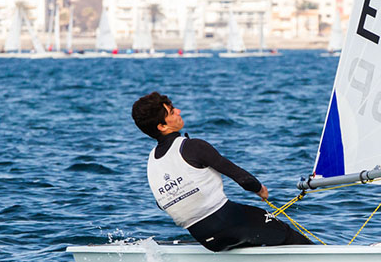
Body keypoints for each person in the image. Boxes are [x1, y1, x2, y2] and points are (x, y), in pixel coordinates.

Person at [131, 91, 312, 251]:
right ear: (162, 126)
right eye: (171, 112)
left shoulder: (152, 162)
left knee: (256, 232)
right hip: (229, 221)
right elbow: (242, 178)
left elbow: (162, 203)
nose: (178, 111)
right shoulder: (193, 147)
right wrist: (260, 189)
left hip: (204, 238)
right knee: (286, 235)